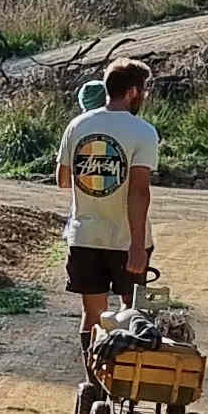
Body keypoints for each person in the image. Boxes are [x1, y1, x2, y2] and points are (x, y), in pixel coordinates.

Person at [57, 54, 159, 353]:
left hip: (85, 236)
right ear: (132, 92)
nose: (144, 96)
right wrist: (137, 245)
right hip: (126, 239)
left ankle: (93, 373)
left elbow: (63, 179)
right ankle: (124, 371)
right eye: (143, 90)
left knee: (92, 315)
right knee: (133, 312)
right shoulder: (143, 131)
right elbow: (138, 191)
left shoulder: (77, 125)